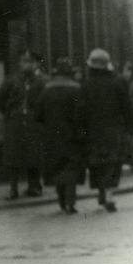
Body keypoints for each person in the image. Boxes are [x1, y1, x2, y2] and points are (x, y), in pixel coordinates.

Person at [78, 49, 133, 212]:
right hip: (114, 131)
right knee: (113, 164)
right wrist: (132, 125)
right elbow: (127, 107)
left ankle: (102, 191)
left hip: (93, 132)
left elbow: (80, 111)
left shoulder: (85, 85)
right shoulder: (117, 83)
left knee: (97, 165)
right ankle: (109, 194)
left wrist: (80, 130)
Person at [0, 50, 46, 200]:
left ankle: (34, 186)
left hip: (34, 123)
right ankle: (13, 189)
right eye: (23, 61)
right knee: (13, 157)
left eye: (29, 61)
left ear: (36, 63)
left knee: (33, 155)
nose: (25, 64)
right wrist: (10, 113)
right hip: (15, 123)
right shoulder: (12, 81)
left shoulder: (43, 80)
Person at [35, 57, 84, 214]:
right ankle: (71, 202)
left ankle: (61, 201)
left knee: (57, 168)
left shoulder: (46, 90)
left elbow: (38, 115)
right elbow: (82, 114)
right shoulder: (76, 89)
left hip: (52, 136)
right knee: (71, 169)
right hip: (72, 134)